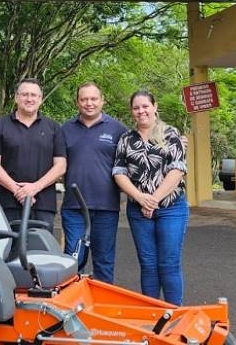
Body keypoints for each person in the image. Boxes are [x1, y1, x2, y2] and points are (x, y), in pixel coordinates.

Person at [112, 90, 189, 305]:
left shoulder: (171, 134)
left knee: (168, 263)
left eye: (145, 106)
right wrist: (140, 198)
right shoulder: (126, 139)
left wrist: (153, 200)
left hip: (171, 208)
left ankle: (174, 315)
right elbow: (119, 172)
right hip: (138, 210)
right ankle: (152, 315)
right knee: (148, 264)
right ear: (132, 112)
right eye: (136, 108)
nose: (141, 111)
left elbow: (177, 169)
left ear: (155, 107)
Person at [60, 82, 127, 284]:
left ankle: (101, 307)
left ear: (102, 100)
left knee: (104, 262)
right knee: (73, 259)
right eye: (84, 99)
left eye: (93, 99)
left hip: (106, 208)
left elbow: (141, 149)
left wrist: (175, 140)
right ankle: (67, 309)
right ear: (77, 102)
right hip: (74, 208)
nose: (89, 103)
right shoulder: (65, 130)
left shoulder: (118, 130)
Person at [0, 78, 67, 231]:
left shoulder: (54, 128)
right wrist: (18, 191)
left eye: (34, 95)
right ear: (16, 97)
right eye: (25, 94)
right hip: (8, 204)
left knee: (41, 252)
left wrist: (35, 188)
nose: (29, 99)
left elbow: (61, 166)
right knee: (9, 252)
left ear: (40, 99)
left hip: (43, 205)